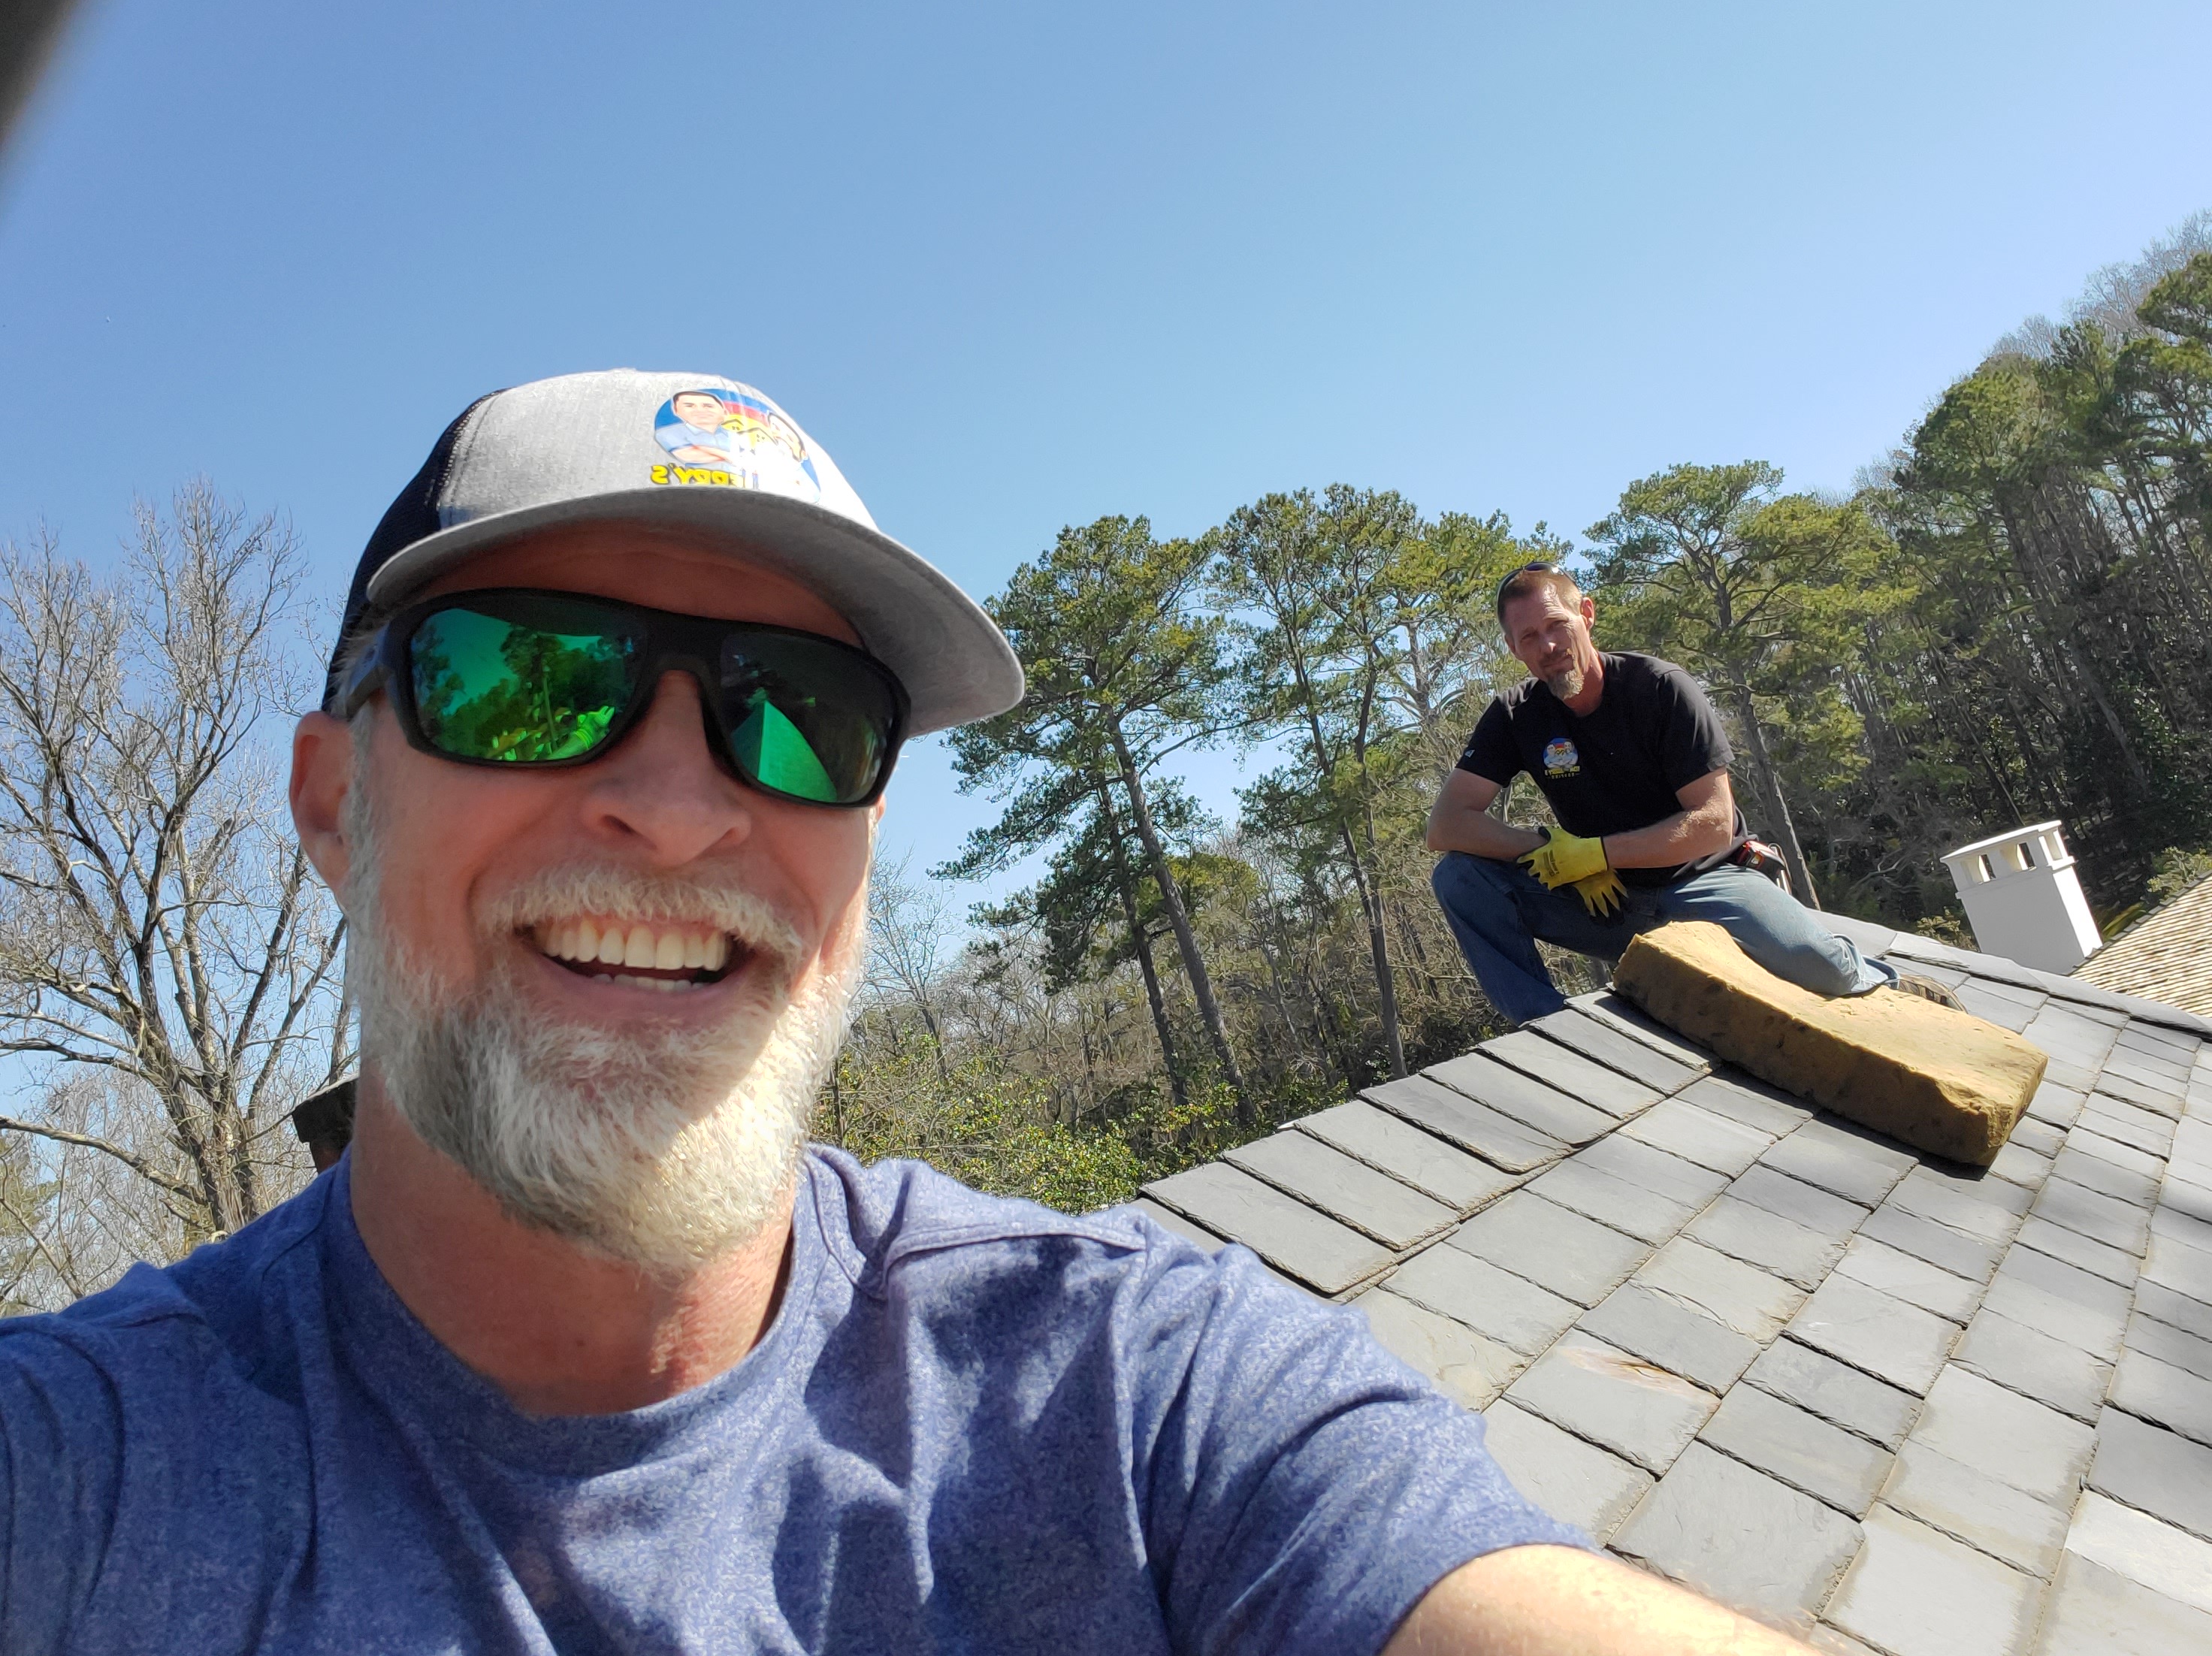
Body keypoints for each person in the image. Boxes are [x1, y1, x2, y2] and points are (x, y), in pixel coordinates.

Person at [0, 373, 1815, 1654]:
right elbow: (1449, 817)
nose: (686, 801)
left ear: (864, 841)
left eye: (800, 713)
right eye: (529, 679)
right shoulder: (87, 1483)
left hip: (1694, 881)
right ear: (331, 802)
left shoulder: (1133, 1399)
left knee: (1791, 948)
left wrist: (1623, 857)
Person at [1428, 561, 1951, 1027]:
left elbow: (1713, 822)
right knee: (1459, 874)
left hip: (1705, 880)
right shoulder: (1516, 715)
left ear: (1586, 614)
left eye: (1557, 626)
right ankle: (1544, 1025)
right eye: (1529, 637)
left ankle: (1886, 983)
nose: (1547, 647)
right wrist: (1548, 848)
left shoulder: (1659, 687)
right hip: (1609, 902)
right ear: (1512, 648)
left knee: (1821, 968)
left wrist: (1598, 852)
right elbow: (1446, 826)